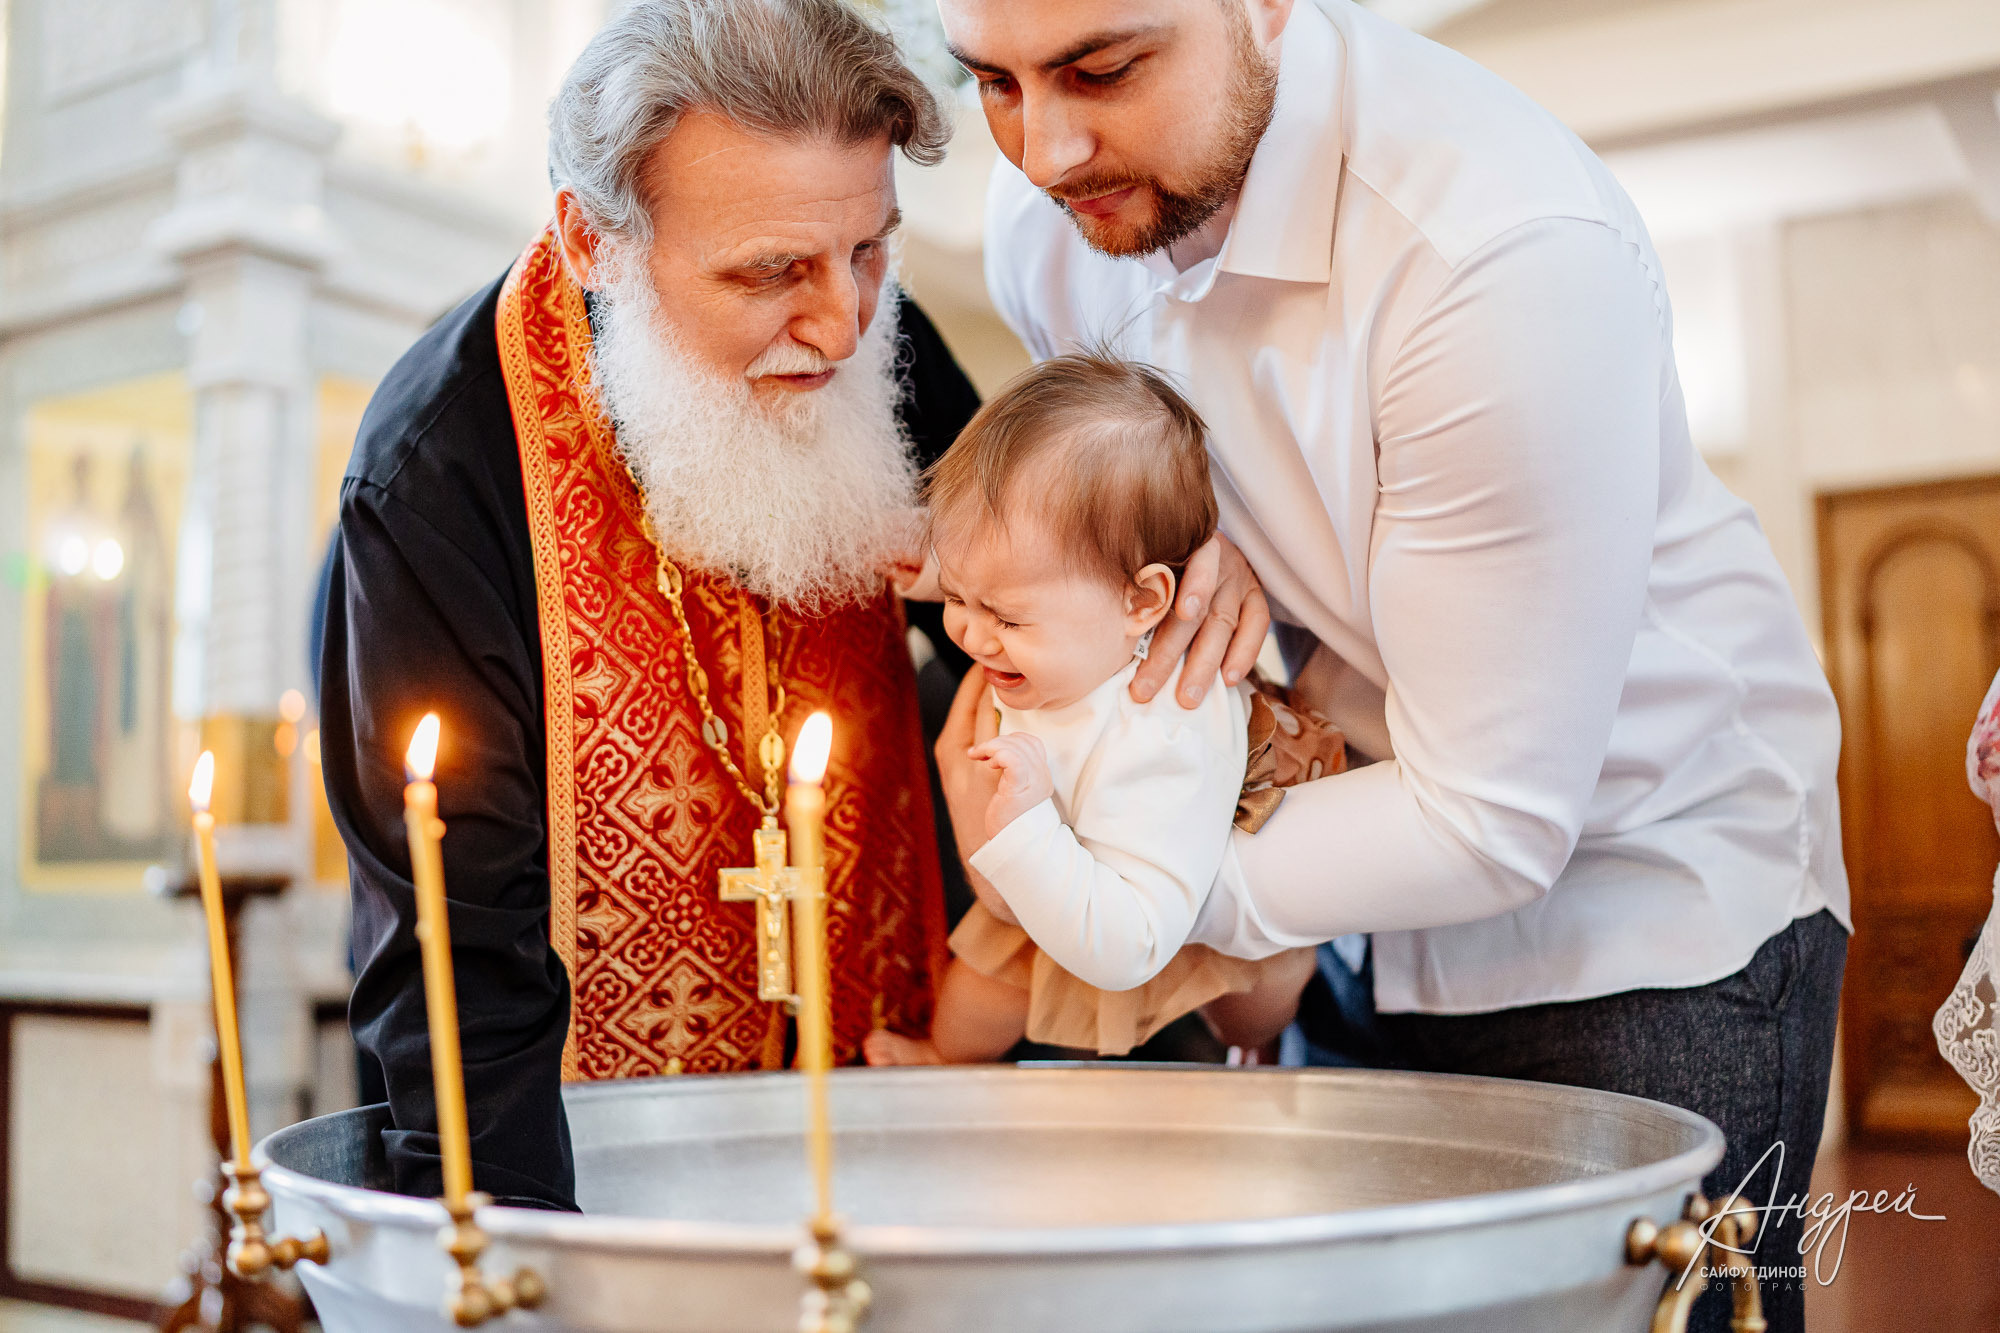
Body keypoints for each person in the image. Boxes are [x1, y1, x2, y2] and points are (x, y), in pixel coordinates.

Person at [936, 2, 1849, 1328]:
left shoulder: (1495, 250)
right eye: (995, 86)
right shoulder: (1052, 232)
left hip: (1637, 910)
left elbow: (1495, 814)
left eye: (1105, 67)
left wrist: (1109, 874)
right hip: (1343, 901)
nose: (1046, 148)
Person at [318, 0, 979, 1212]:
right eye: (770, 271)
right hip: (605, 1173)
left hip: (892, 1132)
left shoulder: (882, 345)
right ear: (592, 241)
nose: (842, 324)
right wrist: (527, 1268)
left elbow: (1037, 645)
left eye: (869, 250)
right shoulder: (441, 471)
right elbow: (456, 955)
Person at [865, 354, 1332, 1065]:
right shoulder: (1077, 610)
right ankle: (942, 1059)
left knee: (1252, 994)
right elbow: (1019, 568)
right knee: (984, 985)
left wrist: (1026, 829)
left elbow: (1132, 943)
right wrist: (935, 570)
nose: (968, 633)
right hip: (1069, 826)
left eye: (1006, 617)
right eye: (961, 596)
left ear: (1143, 603)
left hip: (1152, 882)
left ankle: (1268, 1043)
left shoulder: (1161, 736)